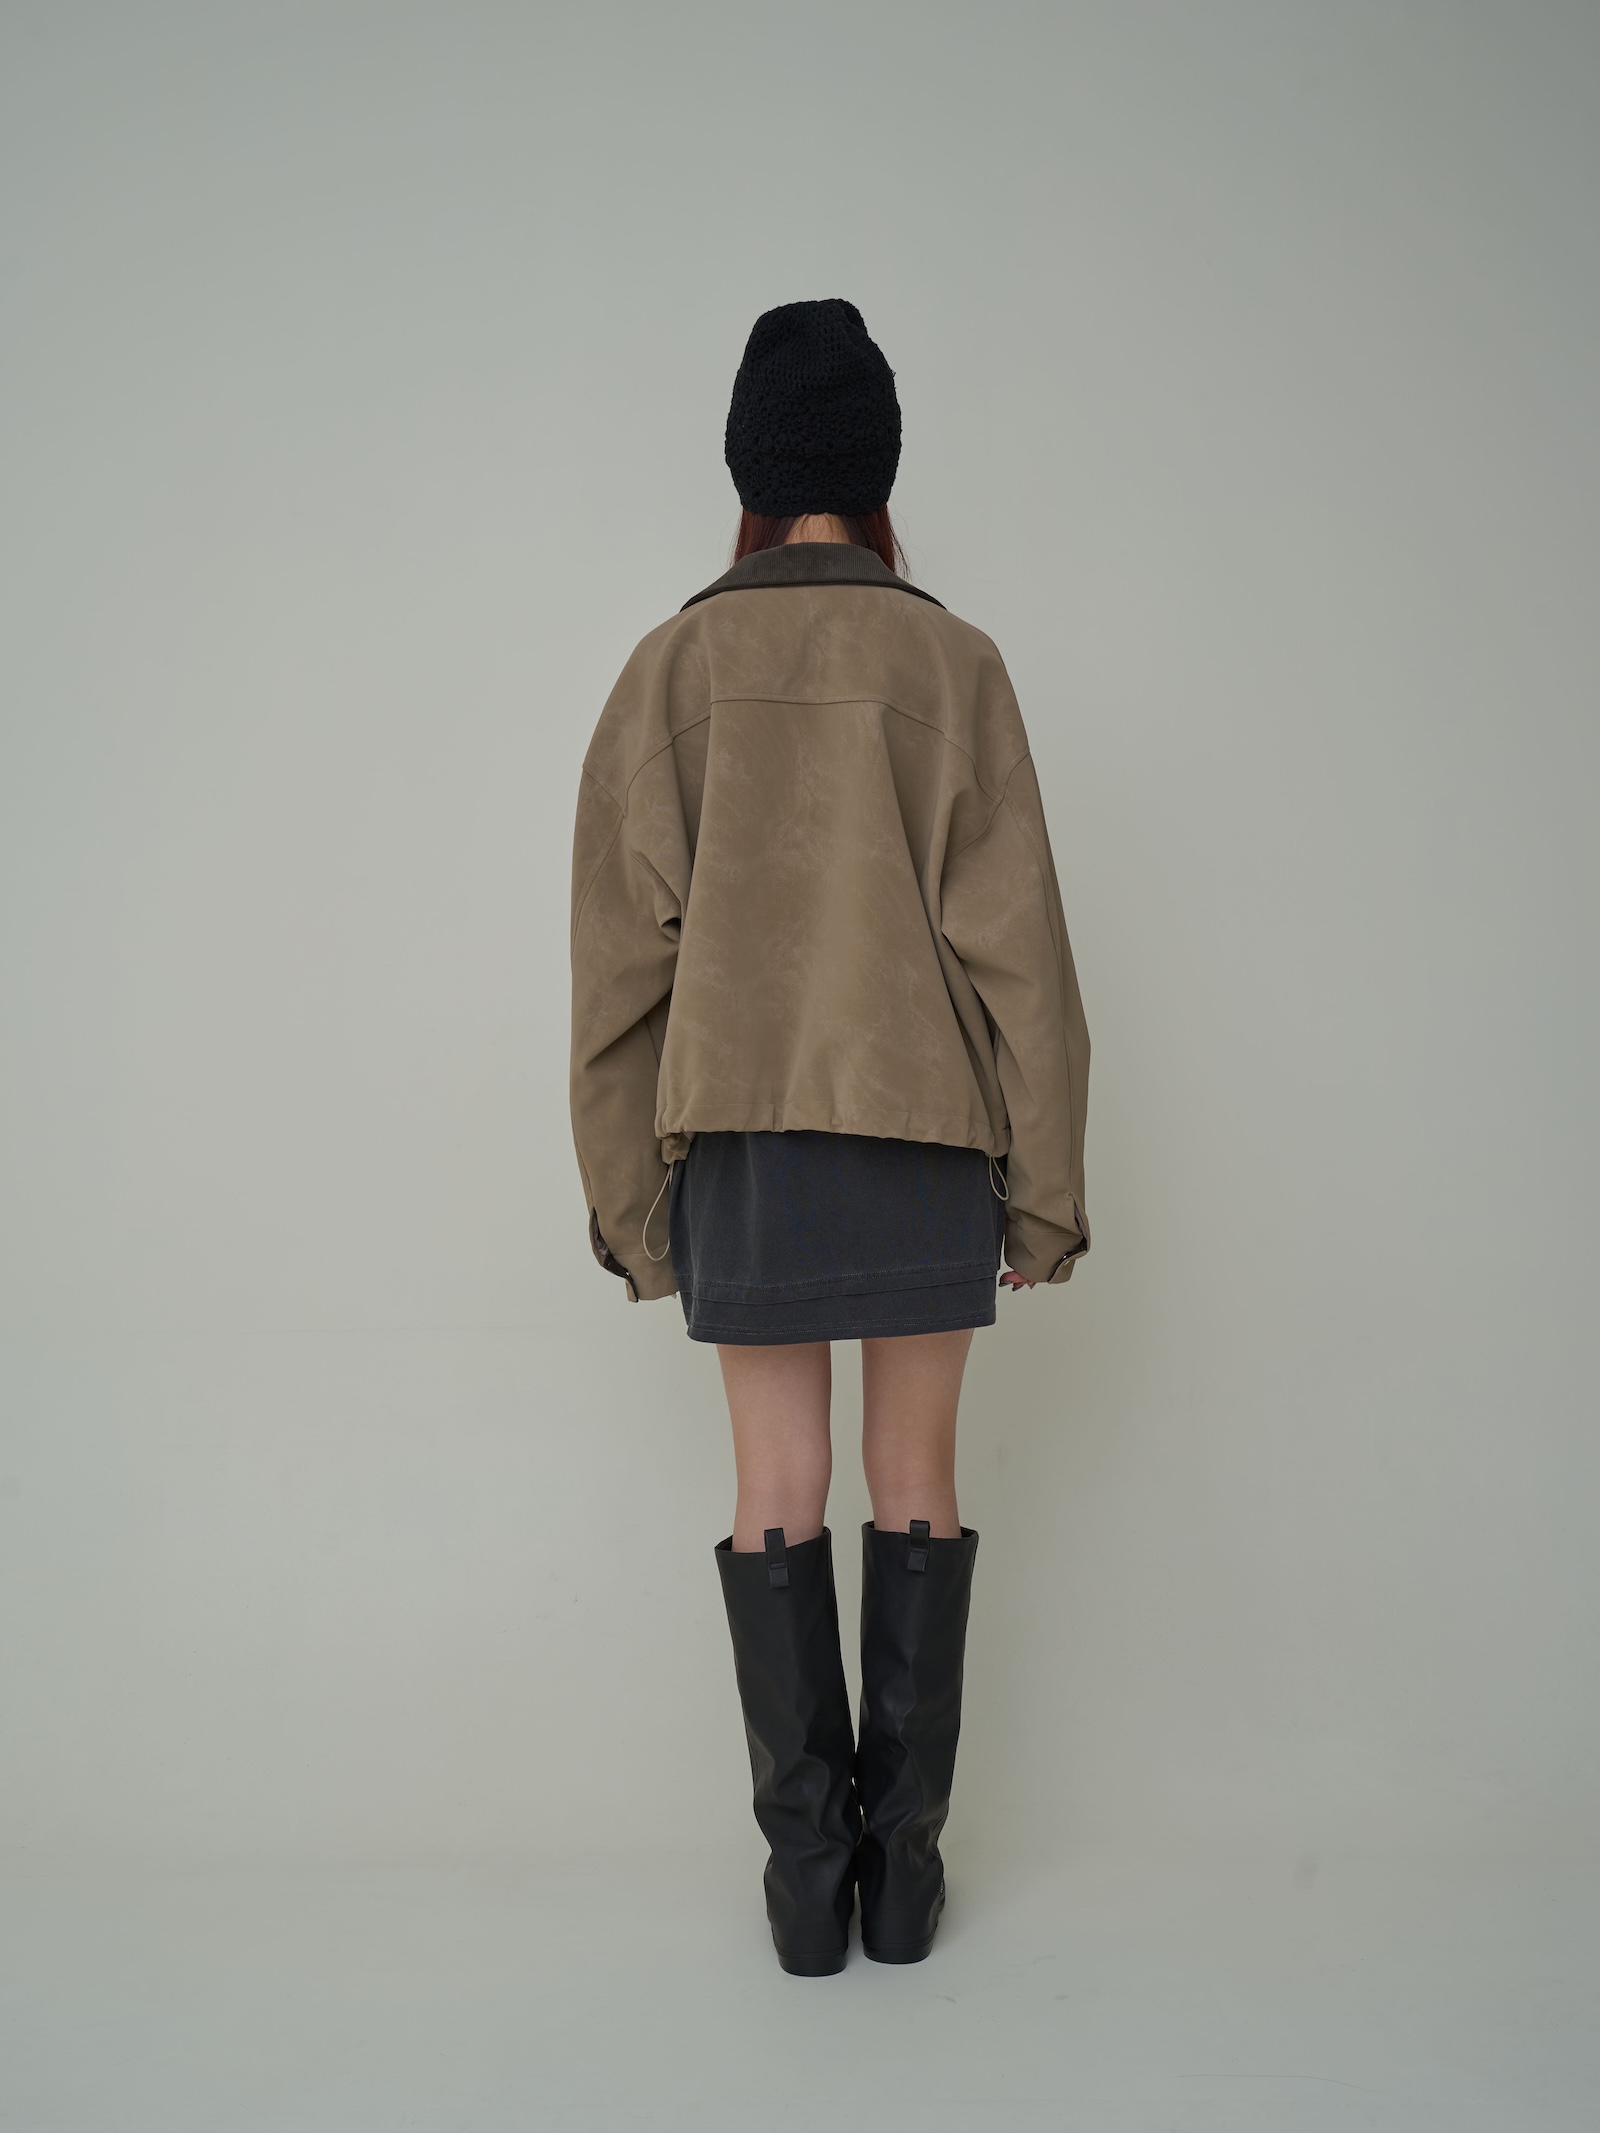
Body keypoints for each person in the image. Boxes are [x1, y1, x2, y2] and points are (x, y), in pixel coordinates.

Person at [569, 299, 1090, 1975]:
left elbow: (616, 978)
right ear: (878, 471)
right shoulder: (955, 665)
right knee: (917, 1481)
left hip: (747, 1152)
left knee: (774, 1487)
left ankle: (808, 1894)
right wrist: (1044, 1191)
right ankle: (906, 1883)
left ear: (748, 469)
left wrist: (633, 1207)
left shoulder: (669, 672)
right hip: (928, 1138)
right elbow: (1025, 958)